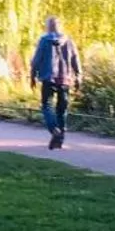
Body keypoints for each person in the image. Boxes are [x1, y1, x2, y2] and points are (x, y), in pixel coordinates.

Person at [31, 15, 82, 149]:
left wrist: (32, 75)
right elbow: (75, 58)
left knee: (47, 106)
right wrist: (78, 75)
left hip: (48, 78)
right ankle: (60, 139)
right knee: (62, 109)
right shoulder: (68, 40)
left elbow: (36, 59)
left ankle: (54, 130)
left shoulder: (44, 40)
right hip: (65, 79)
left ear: (48, 26)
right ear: (60, 26)